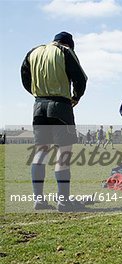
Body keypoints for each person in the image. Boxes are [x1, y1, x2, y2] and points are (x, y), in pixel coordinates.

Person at [21, 31, 88, 212]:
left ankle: (38, 199)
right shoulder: (65, 51)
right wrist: (76, 97)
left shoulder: (32, 52)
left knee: (40, 153)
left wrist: (38, 93)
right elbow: (81, 78)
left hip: (38, 106)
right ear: (68, 44)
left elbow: (25, 78)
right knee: (63, 154)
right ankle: (63, 201)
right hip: (61, 106)